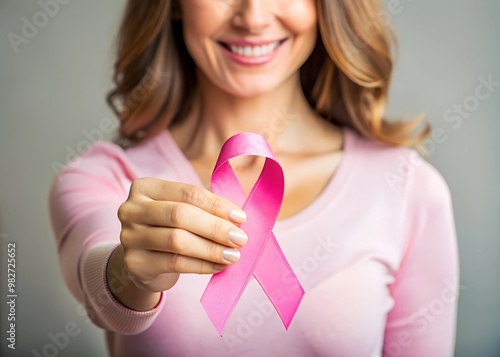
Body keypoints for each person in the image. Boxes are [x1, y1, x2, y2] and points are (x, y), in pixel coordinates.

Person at [49, 0, 459, 356]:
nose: (254, 17)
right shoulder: (104, 179)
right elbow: (97, 285)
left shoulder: (407, 188)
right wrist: (132, 272)